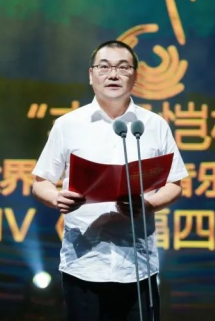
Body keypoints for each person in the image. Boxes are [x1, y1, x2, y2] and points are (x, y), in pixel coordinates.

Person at [32, 40, 188, 321]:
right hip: (84, 263)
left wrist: (147, 204)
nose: (113, 74)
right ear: (91, 75)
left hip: (138, 265)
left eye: (123, 67)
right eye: (104, 67)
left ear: (135, 76)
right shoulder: (68, 124)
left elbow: (174, 184)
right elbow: (41, 181)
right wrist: (57, 197)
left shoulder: (154, 125)